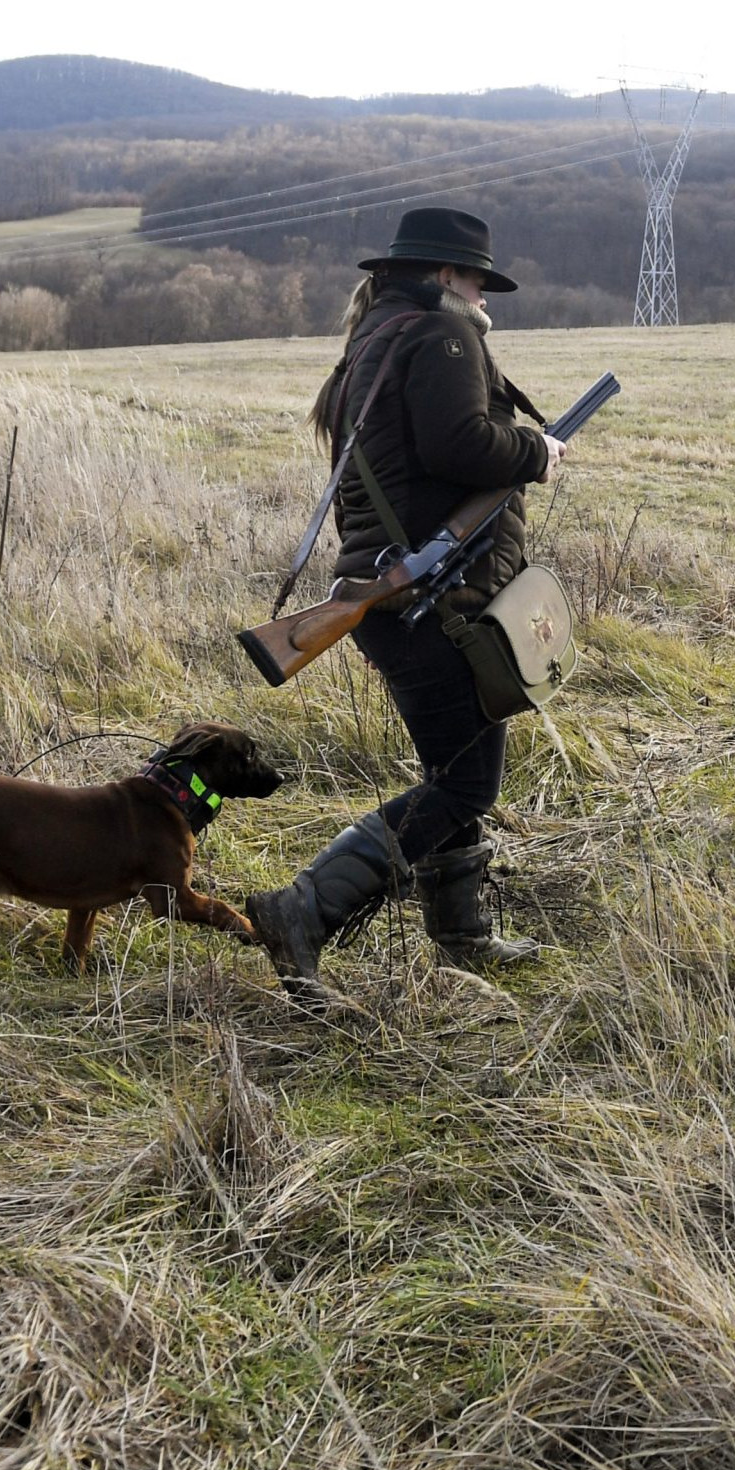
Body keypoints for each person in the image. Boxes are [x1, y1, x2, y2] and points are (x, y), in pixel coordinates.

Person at [247, 207, 566, 1002]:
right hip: (433, 598)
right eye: (477, 280)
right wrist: (536, 451)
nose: (483, 297)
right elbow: (461, 444)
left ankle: (464, 937)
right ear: (445, 276)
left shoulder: (375, 340)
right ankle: (303, 909)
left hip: (402, 595)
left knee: (450, 770)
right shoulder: (444, 335)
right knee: (465, 786)